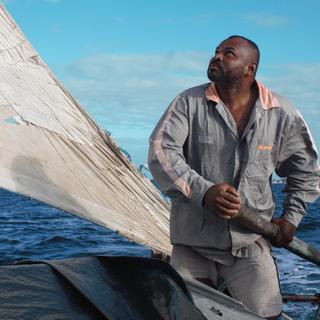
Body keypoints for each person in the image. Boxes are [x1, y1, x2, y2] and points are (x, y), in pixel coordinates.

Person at [148, 35, 320, 319]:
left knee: (266, 314)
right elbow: (160, 151)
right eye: (216, 51)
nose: (217, 57)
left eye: (228, 54)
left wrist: (291, 218)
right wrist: (204, 192)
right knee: (186, 313)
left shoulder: (281, 113)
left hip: (249, 241)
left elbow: (306, 172)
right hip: (192, 243)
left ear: (250, 68)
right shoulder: (187, 102)